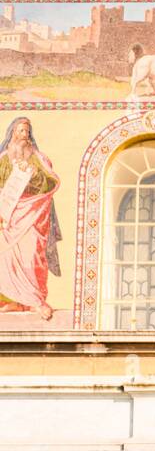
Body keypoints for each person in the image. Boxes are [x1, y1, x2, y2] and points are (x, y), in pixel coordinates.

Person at [0, 117, 61, 320]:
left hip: (33, 214)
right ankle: (12, 301)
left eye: (26, 131)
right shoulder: (3, 160)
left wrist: (35, 175)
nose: (23, 135)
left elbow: (51, 182)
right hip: (9, 216)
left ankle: (35, 301)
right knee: (5, 257)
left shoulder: (39, 159)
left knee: (32, 255)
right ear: (11, 134)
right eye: (19, 131)